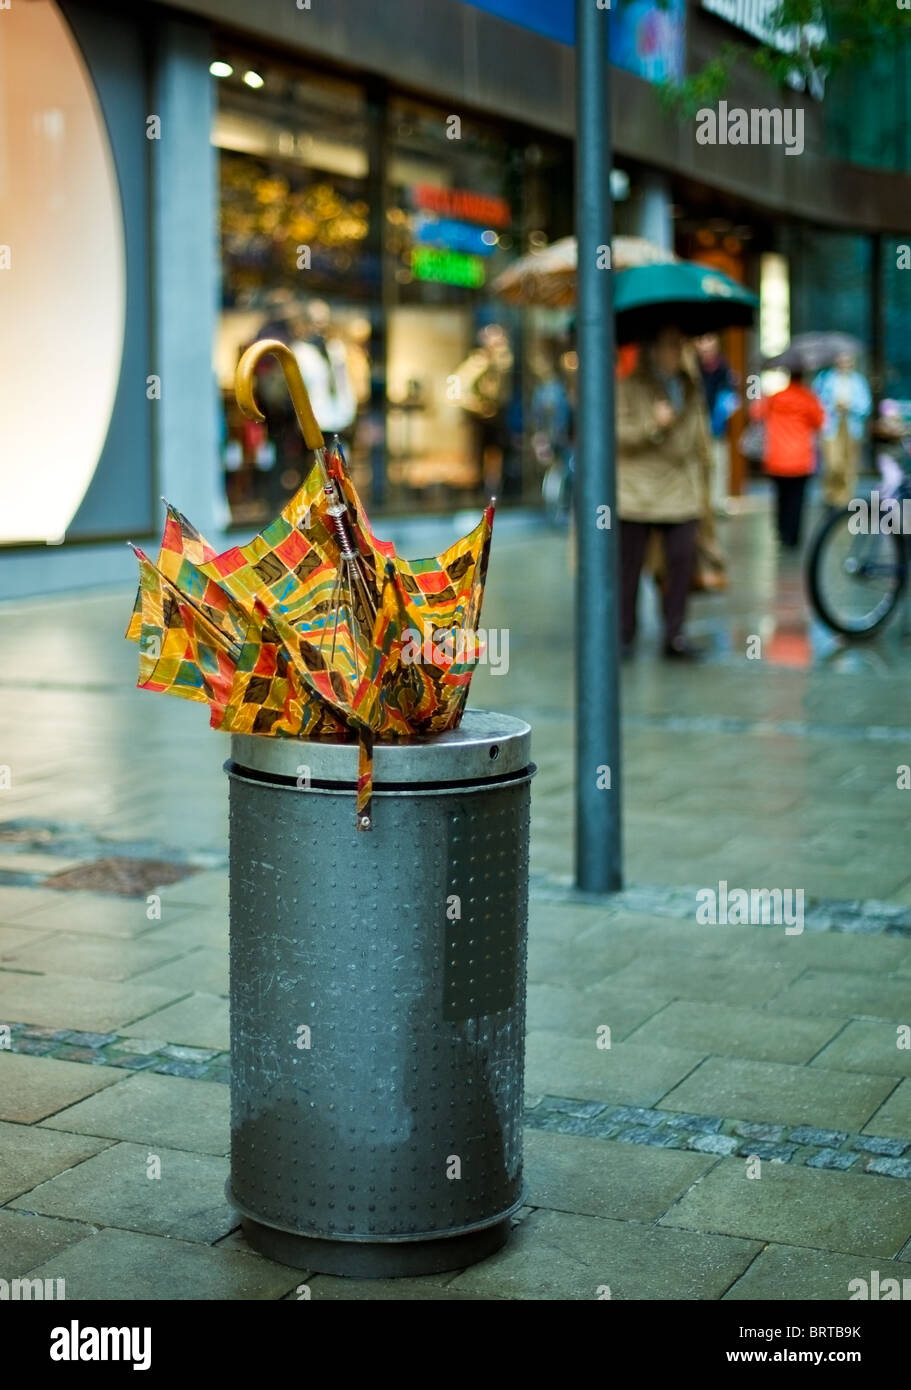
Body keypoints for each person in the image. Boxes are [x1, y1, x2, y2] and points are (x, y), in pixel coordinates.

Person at [617, 325, 711, 659]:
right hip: (637, 492)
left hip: (680, 491)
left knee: (681, 562)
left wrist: (706, 489)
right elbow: (617, 436)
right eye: (671, 345)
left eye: (680, 345)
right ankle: (623, 634)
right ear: (652, 349)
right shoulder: (627, 388)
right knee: (628, 568)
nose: (677, 352)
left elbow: (698, 440)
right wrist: (653, 427)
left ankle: (675, 634)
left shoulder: (689, 387)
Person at [751, 368, 825, 550]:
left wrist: (758, 394)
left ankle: (781, 532)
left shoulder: (775, 398)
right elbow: (820, 422)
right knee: (796, 500)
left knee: (781, 497)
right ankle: (793, 537)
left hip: (777, 458)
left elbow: (755, 414)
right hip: (800, 459)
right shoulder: (808, 398)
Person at [812, 353, 872, 507]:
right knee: (833, 462)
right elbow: (816, 402)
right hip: (832, 425)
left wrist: (850, 406)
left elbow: (866, 405)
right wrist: (833, 405)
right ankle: (831, 494)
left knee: (849, 462)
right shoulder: (825, 379)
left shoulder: (859, 381)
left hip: (851, 425)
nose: (844, 362)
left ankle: (845, 498)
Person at [694, 333, 739, 513]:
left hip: (717, 426)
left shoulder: (724, 368)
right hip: (698, 425)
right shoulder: (693, 368)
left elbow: (732, 395)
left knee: (718, 464)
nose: (705, 345)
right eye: (701, 340)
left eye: (709, 339)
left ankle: (717, 502)